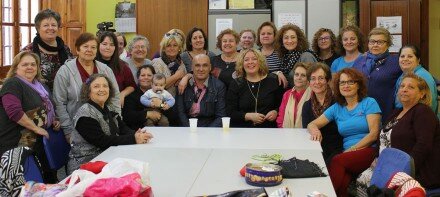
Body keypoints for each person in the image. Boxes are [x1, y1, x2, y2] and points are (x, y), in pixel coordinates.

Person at [356, 73, 440, 195]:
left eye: (411, 87)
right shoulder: (396, 112)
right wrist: (377, 158)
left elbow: (423, 146)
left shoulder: (423, 111)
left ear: (422, 94)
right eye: (402, 86)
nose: (404, 89)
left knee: (372, 187)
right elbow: (383, 139)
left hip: (414, 172)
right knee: (361, 182)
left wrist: (403, 171)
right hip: (388, 165)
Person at [307, 68, 381, 197]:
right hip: (347, 156)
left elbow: (373, 134)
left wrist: (352, 149)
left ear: (358, 85)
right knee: (343, 184)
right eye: (342, 83)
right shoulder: (337, 108)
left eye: (350, 82)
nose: (346, 86)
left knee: (336, 161)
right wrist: (314, 129)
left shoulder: (369, 103)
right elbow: (312, 123)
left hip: (368, 150)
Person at [67, 74, 153, 174]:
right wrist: (134, 138)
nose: (102, 89)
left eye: (105, 86)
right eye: (96, 86)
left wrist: (136, 134)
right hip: (85, 166)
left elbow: (122, 128)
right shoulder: (85, 114)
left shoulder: (108, 108)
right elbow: (103, 141)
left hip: (107, 157)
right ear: (88, 91)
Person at [0, 52, 60, 183]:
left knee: (44, 181)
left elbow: (48, 107)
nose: (30, 67)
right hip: (16, 143)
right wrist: (36, 128)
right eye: (25, 64)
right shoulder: (12, 84)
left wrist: (54, 120)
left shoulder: (40, 85)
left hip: (38, 143)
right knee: (23, 183)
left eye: (33, 64)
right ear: (16, 68)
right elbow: (14, 112)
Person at [53, 32, 120, 141]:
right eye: (85, 46)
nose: (89, 50)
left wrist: (116, 123)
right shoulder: (65, 71)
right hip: (76, 129)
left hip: (105, 127)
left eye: (93, 47)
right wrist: (68, 130)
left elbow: (115, 97)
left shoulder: (106, 70)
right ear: (77, 49)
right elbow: (59, 102)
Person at [353, 27, 402, 121]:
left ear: (388, 44)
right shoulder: (359, 61)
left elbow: (415, 73)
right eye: (372, 42)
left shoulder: (396, 62)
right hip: (360, 113)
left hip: (385, 112)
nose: (375, 45)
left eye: (379, 42)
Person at [226, 48, 283, 128]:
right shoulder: (236, 84)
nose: (250, 62)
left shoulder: (273, 81)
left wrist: (276, 112)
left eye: (254, 59)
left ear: (260, 62)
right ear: (242, 64)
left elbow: (282, 105)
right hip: (242, 131)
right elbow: (229, 112)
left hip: (269, 130)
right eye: (246, 60)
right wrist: (248, 116)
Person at [21, 9, 74, 91]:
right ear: (38, 29)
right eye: (46, 25)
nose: (50, 28)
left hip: (64, 94)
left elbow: (73, 72)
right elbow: (20, 78)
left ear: (58, 27)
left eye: (53, 25)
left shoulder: (65, 49)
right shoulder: (28, 51)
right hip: (37, 95)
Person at [301, 62, 343, 165]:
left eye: (321, 78)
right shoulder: (306, 106)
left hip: (338, 151)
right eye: (313, 78)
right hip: (315, 150)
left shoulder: (338, 102)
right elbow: (306, 132)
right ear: (309, 82)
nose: (317, 82)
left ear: (328, 80)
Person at [176, 54, 226, 127]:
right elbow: (180, 113)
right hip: (187, 126)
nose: (201, 69)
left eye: (205, 65)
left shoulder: (219, 86)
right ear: (192, 67)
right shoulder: (183, 85)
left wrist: (207, 133)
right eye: (197, 65)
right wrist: (189, 130)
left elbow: (220, 116)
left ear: (210, 67)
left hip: (210, 127)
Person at [96, 31, 136, 107]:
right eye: (104, 44)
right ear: (98, 45)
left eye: (112, 45)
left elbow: (131, 85)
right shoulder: (92, 64)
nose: (108, 47)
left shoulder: (122, 66)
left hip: (116, 105)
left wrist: (122, 94)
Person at [395, 44, 437, 112]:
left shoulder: (422, 76)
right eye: (402, 56)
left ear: (418, 60)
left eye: (410, 56)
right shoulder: (405, 74)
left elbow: (428, 104)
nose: (405, 59)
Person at [123, 65, 162, 130]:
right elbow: (127, 116)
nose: (146, 77)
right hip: (140, 132)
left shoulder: (161, 92)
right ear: (138, 78)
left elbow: (171, 114)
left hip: (162, 130)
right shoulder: (131, 95)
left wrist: (161, 104)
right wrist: (147, 114)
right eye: (143, 75)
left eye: (149, 75)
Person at [152, 31, 187, 97]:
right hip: (162, 102)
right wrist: (176, 76)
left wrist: (186, 77)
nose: (172, 48)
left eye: (175, 45)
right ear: (164, 48)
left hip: (179, 102)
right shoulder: (157, 62)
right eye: (168, 46)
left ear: (179, 48)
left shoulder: (181, 63)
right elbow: (158, 87)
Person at [276, 62, 312, 128]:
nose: (299, 78)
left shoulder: (313, 94)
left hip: (307, 135)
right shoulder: (287, 94)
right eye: (296, 74)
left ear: (308, 79)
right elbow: (280, 119)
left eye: (303, 75)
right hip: (287, 135)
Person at [256, 21, 287, 88]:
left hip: (278, 90)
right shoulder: (255, 54)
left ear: (275, 36)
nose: (266, 36)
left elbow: (287, 73)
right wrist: (276, 73)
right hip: (259, 89)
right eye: (263, 34)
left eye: (269, 33)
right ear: (259, 36)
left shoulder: (281, 52)